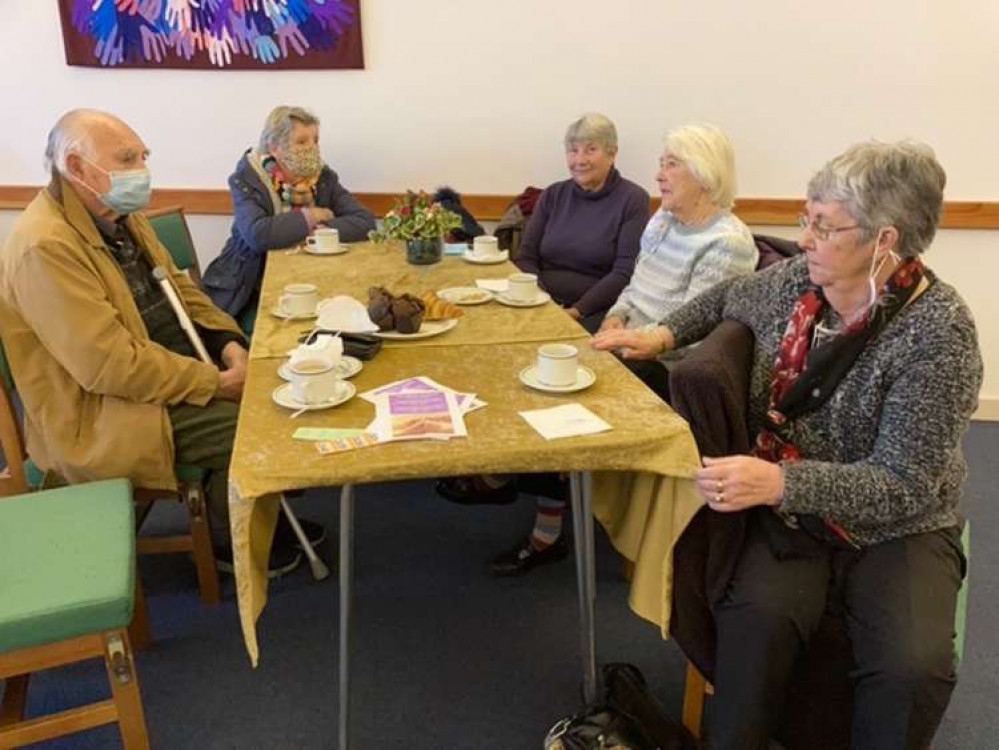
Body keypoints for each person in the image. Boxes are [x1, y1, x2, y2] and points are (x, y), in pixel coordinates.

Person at [594, 140, 981, 750]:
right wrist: (660, 333)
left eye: (824, 226)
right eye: (807, 218)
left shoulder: (938, 334)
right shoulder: (797, 283)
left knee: (910, 668)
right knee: (755, 624)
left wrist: (779, 482)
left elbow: (903, 483)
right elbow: (725, 297)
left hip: (897, 526)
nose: (805, 239)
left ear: (886, 241)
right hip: (793, 519)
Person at [0, 109, 320, 577]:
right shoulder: (44, 247)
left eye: (142, 156)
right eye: (127, 158)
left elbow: (183, 292)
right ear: (75, 166)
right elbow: (109, 366)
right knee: (254, 428)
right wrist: (216, 382)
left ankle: (254, 517)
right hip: (104, 409)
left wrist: (229, 342)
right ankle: (230, 537)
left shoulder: (117, 215)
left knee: (281, 382)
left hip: (164, 370)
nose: (141, 170)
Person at [599, 123, 758, 400]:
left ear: (705, 175)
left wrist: (629, 339)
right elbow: (635, 287)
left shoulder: (727, 243)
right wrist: (615, 316)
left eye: (672, 165)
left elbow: (694, 333)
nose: (659, 176)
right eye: (661, 164)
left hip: (668, 369)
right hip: (628, 345)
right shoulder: (662, 220)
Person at [202, 105, 376, 332]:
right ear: (276, 148)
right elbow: (259, 234)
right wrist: (310, 216)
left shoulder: (323, 177)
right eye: (302, 142)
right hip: (253, 284)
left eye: (316, 140)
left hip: (317, 278)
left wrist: (316, 231)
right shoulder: (246, 179)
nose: (312, 148)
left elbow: (364, 222)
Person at [514, 113, 650, 333]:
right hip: (540, 302)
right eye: (573, 150)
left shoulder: (633, 199)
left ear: (612, 154)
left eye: (590, 149)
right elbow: (526, 256)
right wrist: (541, 300)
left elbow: (625, 272)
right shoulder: (553, 194)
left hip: (597, 309)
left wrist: (576, 311)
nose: (580, 160)